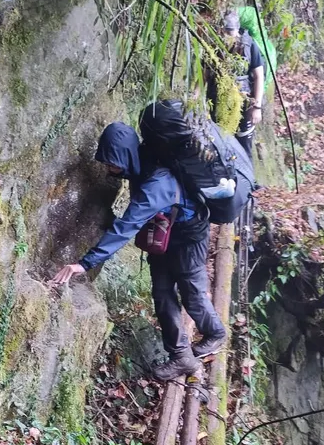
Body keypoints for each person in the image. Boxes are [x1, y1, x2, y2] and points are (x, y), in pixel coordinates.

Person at [51, 119, 227, 382]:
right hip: (163, 231)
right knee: (162, 292)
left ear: (125, 155)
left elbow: (126, 226)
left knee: (191, 291)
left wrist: (84, 264)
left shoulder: (156, 182)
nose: (108, 168)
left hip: (189, 235)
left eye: (112, 161)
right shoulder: (138, 164)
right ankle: (181, 355)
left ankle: (215, 334)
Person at [209, 10, 265, 157]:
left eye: (230, 31)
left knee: (244, 147)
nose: (227, 34)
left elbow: (259, 76)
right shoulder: (215, 44)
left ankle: (246, 178)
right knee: (219, 144)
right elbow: (205, 72)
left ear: (237, 29)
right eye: (224, 31)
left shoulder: (249, 45)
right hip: (218, 100)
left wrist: (257, 107)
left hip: (243, 102)